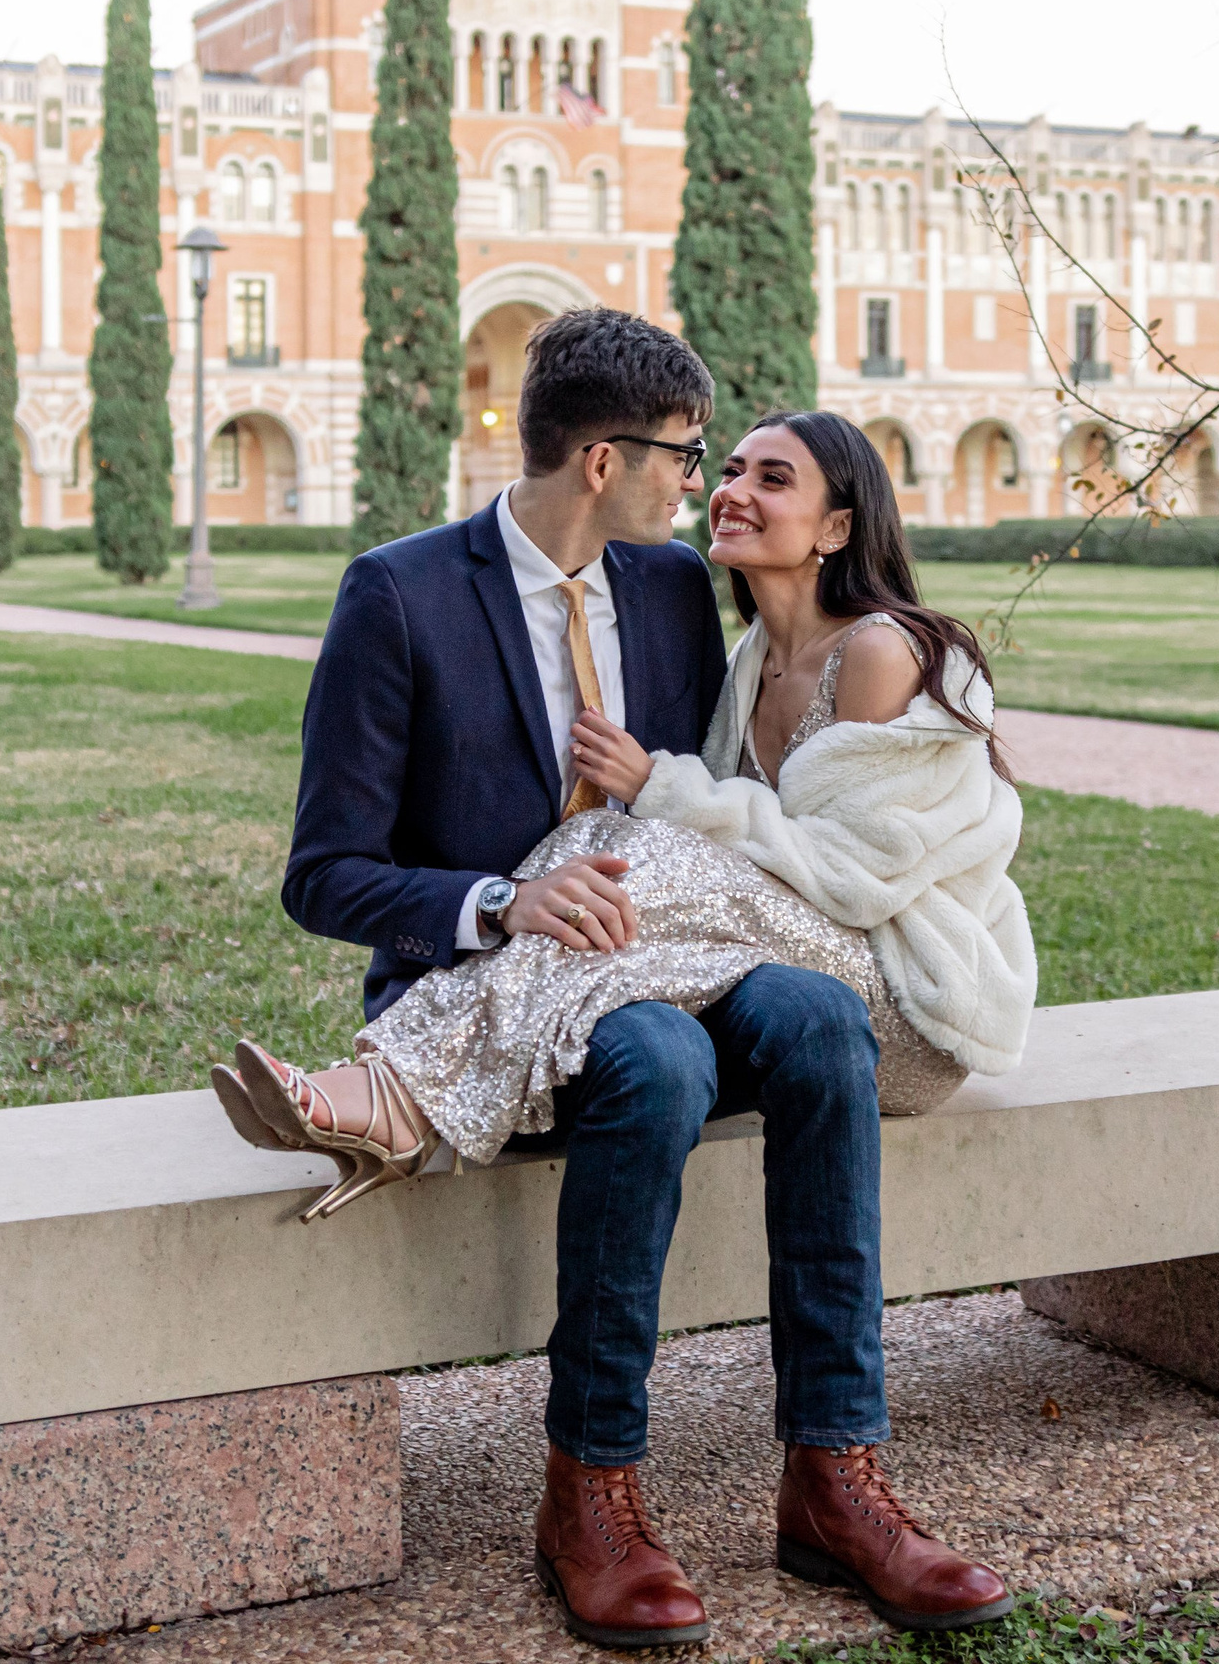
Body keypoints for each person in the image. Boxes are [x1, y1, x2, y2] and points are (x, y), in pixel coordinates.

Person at [272, 309, 1024, 1649]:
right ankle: (593, 1488)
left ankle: (835, 1477)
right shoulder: (399, 594)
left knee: (815, 1016)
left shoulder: (675, 591)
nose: (704, 486)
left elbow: (744, 809)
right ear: (607, 461)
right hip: (505, 987)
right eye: (689, 456)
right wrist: (506, 902)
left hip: (680, 959)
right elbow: (324, 875)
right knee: (657, 1059)